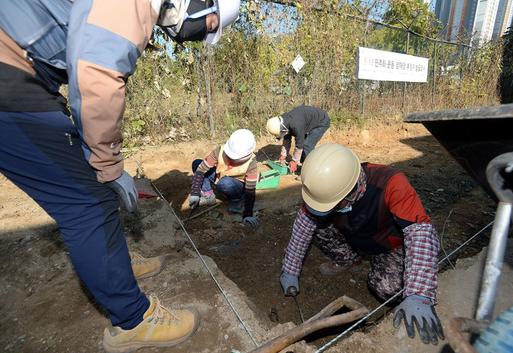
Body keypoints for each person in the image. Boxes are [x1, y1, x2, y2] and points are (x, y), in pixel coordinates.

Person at [0, 0, 240, 352]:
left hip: (23, 71)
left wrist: (102, 162)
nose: (203, 32)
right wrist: (109, 166)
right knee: (88, 204)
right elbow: (96, 74)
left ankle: (117, 262)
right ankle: (132, 321)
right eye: (211, 23)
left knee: (90, 180)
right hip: (9, 77)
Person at [279, 144, 444, 345]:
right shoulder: (327, 187)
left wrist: (419, 293)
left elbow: (420, 233)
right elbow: (303, 226)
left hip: (389, 244)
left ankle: (403, 286)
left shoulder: (392, 183)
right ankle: (350, 259)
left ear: (349, 192)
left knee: (386, 288)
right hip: (356, 237)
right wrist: (290, 270)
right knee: (317, 227)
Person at [189, 129, 260, 228]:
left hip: (237, 186)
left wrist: (247, 214)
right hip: (221, 176)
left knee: (225, 183)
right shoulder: (220, 151)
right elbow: (201, 170)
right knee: (197, 164)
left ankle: (236, 201)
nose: (232, 159)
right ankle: (208, 196)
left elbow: (250, 190)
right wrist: (195, 192)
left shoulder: (251, 163)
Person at [265, 105, 330, 173]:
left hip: (321, 122)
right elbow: (287, 139)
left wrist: (294, 161)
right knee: (304, 145)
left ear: (282, 128)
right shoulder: (285, 121)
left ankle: (310, 171)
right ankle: (301, 163)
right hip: (306, 121)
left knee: (307, 145)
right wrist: (283, 155)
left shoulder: (296, 125)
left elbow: (299, 144)